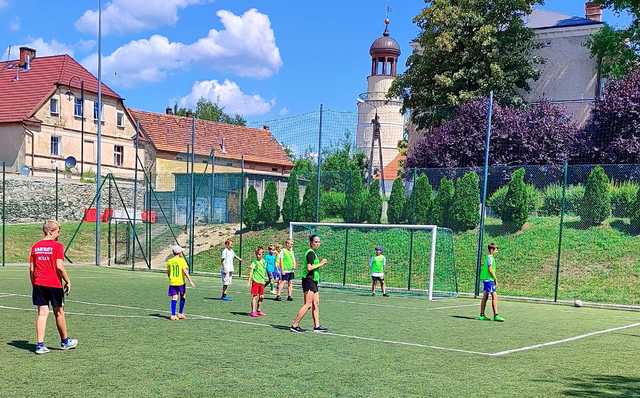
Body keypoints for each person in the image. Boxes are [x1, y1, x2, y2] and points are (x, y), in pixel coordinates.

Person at [29, 220, 78, 355]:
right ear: (50, 231)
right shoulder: (57, 246)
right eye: (57, 230)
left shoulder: (35, 247)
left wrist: (34, 284)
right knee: (59, 312)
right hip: (54, 285)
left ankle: (39, 345)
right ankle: (65, 342)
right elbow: (59, 266)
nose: (59, 233)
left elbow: (32, 269)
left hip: (39, 284)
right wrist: (67, 281)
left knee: (42, 313)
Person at [290, 235, 329, 333]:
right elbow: (309, 268)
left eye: (319, 241)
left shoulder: (313, 253)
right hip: (309, 280)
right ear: (311, 243)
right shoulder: (310, 253)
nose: (317, 243)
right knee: (308, 305)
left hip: (314, 280)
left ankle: (317, 326)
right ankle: (294, 325)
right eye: (315, 241)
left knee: (315, 304)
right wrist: (321, 263)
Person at [166, 245, 196, 321]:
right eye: (181, 251)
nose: (182, 252)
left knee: (174, 297)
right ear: (179, 252)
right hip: (180, 282)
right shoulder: (181, 260)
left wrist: (170, 278)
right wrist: (190, 281)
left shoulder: (169, 261)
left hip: (173, 282)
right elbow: (185, 271)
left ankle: (173, 315)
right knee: (183, 296)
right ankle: (180, 313)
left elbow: (168, 272)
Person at [479, 243, 505, 322]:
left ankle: (482, 315)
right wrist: (495, 279)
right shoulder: (490, 257)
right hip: (488, 279)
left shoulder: (490, 257)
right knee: (494, 295)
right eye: (495, 249)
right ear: (491, 250)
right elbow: (490, 270)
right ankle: (496, 315)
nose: (496, 251)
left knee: (485, 296)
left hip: (486, 279)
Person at [248, 247, 267, 317]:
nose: (258, 255)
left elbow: (264, 271)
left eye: (259, 254)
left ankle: (258, 310)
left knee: (262, 297)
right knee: (255, 296)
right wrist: (249, 280)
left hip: (262, 282)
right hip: (255, 281)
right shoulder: (254, 262)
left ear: (262, 254)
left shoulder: (264, 261)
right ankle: (253, 311)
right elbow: (251, 271)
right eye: (257, 254)